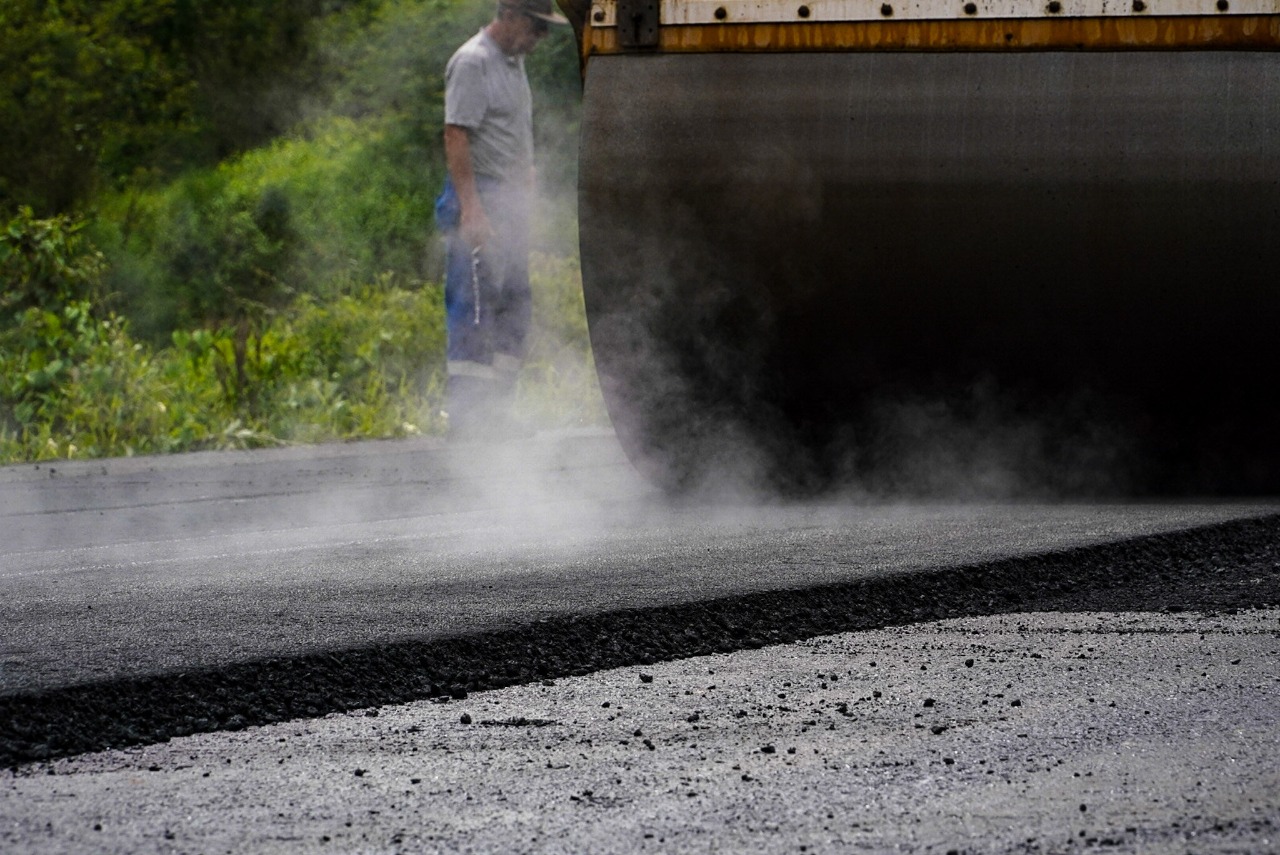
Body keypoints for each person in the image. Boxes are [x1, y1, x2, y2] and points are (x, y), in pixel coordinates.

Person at [435, 0, 568, 439]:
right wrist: (472, 209)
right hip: (481, 195)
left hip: (509, 198)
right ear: (509, 16)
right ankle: (470, 420)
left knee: (514, 303)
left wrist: (527, 184)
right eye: (535, 27)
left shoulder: (513, 63)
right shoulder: (473, 62)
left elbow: (515, 130)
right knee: (475, 305)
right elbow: (457, 134)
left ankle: (498, 412)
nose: (539, 39)